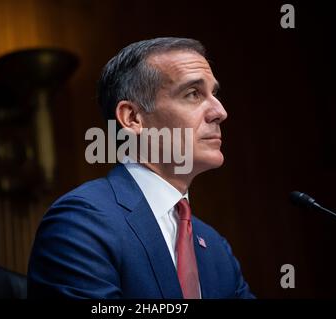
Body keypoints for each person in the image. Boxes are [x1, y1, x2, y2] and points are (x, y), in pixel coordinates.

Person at [27, 37, 254, 299]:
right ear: (133, 118)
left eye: (214, 94)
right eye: (193, 94)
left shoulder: (216, 248)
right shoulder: (81, 223)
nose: (220, 111)